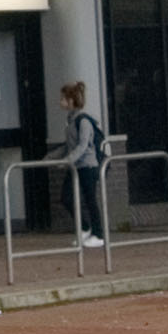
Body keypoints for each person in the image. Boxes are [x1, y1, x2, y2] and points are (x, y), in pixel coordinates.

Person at [56, 81, 109, 249]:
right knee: (66, 198)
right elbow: (68, 145)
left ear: (71, 100)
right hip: (76, 167)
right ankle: (86, 227)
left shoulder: (83, 121)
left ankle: (99, 234)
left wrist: (67, 160)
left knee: (90, 200)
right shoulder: (70, 121)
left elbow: (83, 145)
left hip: (88, 166)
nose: (60, 102)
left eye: (63, 98)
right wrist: (52, 157)